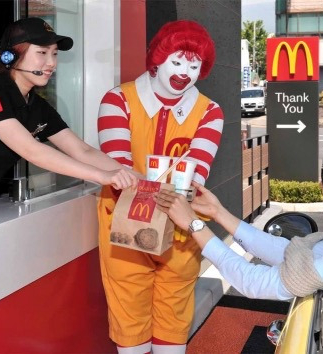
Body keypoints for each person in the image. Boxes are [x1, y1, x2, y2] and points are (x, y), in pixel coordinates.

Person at [154, 132, 323, 325]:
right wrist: (217, 212)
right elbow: (287, 252)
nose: (321, 184)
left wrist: (193, 224)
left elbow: (255, 282)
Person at [96, 20, 224, 353]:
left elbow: (195, 174)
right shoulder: (117, 100)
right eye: (178, 61)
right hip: (125, 226)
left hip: (181, 230)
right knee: (130, 322)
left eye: (194, 65)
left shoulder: (209, 111)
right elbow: (120, 169)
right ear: (157, 59)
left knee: (174, 322)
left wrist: (171, 186)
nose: (185, 72)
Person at [0, 17, 138, 213]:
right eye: (42, 53)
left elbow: (82, 151)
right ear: (10, 56)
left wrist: (137, 177)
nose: (51, 63)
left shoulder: (37, 106)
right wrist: (102, 176)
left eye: (54, 54)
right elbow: (32, 151)